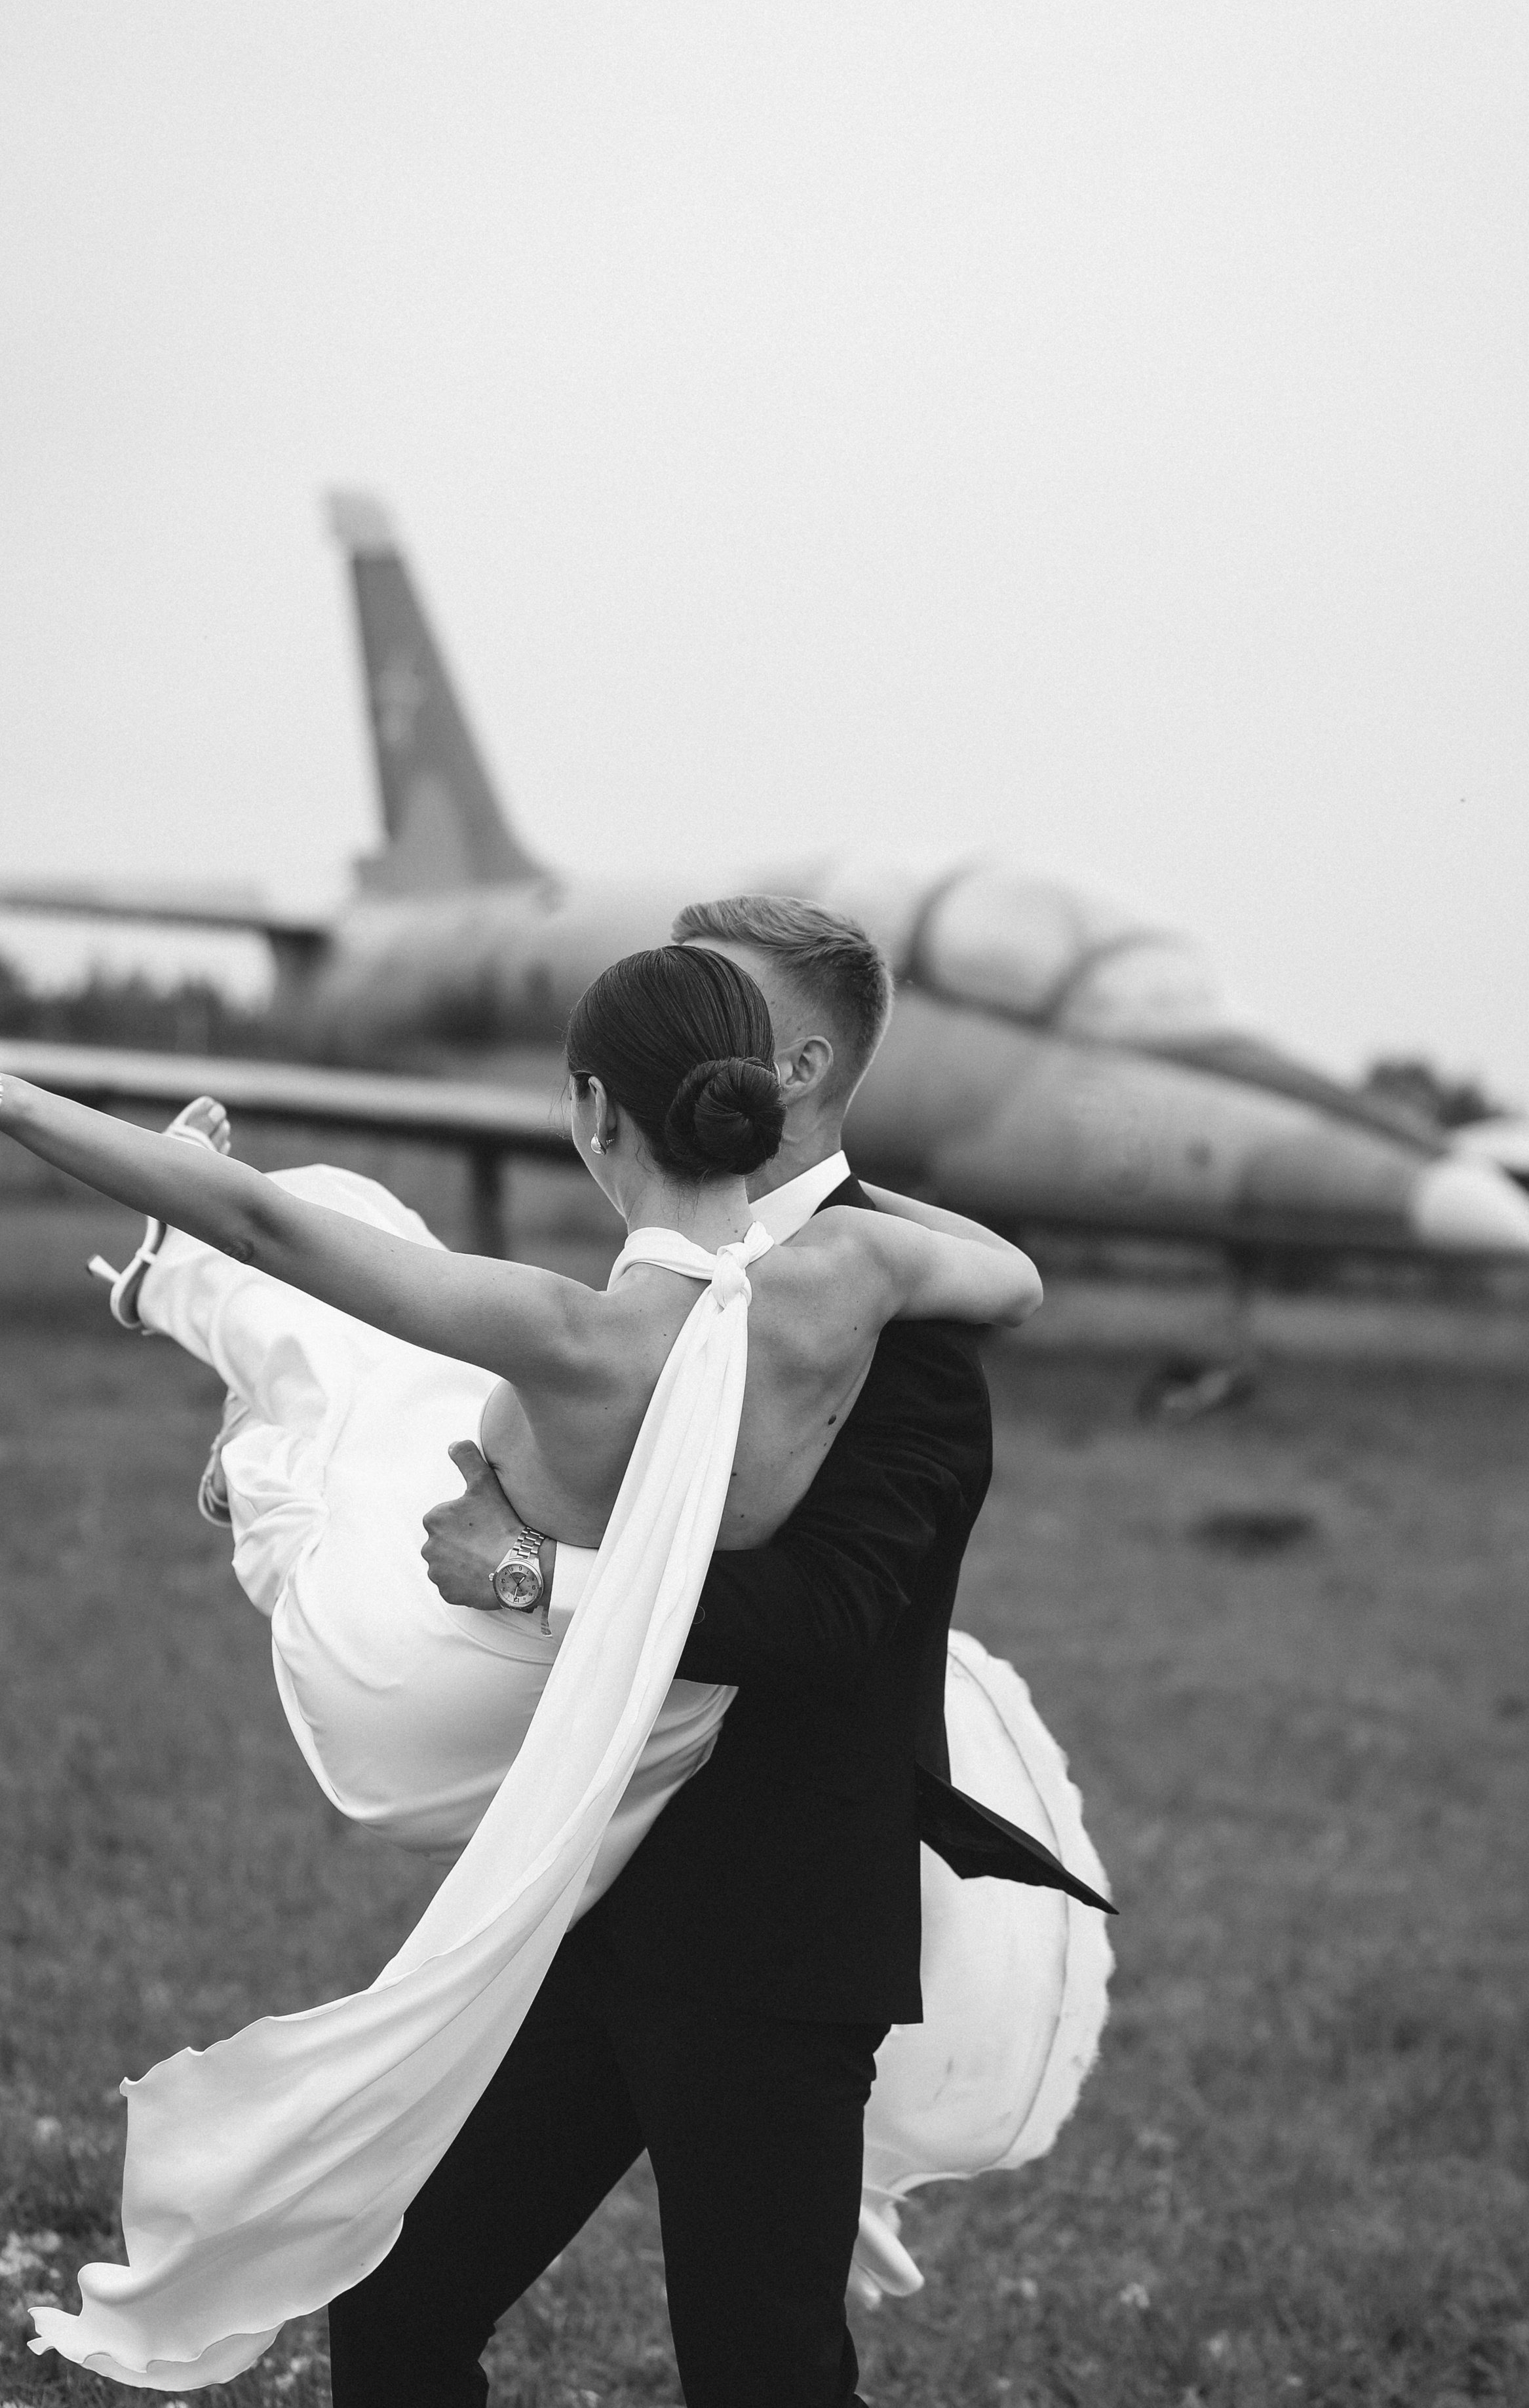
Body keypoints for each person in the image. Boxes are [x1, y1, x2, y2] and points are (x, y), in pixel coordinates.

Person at [0, 941, 1072, 2404]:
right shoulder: (865, 1273)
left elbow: (260, 1218)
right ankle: (254, 1439)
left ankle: (250, 1440)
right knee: (401, 2306)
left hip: (742, 1927)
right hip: (601, 1885)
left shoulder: (596, 1334)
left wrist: (15, 1098)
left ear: (594, 1116)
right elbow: (1016, 1275)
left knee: (764, 2378)